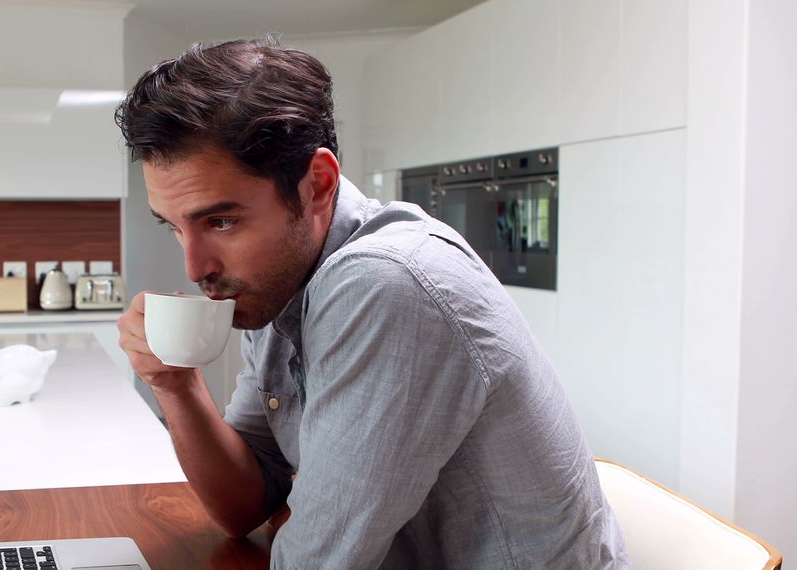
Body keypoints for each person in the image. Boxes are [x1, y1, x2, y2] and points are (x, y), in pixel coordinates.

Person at [114, 37, 629, 569]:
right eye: (175, 227)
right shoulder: (276, 283)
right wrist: (175, 384)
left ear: (317, 183)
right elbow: (246, 505)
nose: (195, 268)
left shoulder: (385, 285)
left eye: (221, 221)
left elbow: (315, 562)